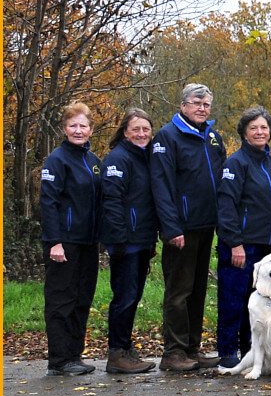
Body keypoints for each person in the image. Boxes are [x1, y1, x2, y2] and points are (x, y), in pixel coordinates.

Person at [150, 83, 226, 371]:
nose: (202, 109)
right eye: (196, 103)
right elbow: (161, 185)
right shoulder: (167, 137)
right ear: (183, 105)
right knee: (178, 291)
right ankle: (173, 352)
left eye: (206, 104)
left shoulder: (212, 137)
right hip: (181, 228)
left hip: (206, 225)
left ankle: (192, 348)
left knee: (197, 289)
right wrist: (171, 227)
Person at [214, 107, 271, 367]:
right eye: (253, 128)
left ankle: (251, 353)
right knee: (233, 299)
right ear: (244, 133)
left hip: (267, 247)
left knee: (258, 303)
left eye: (264, 127)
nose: (259, 132)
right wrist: (234, 242)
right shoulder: (236, 163)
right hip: (240, 245)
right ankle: (227, 353)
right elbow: (226, 205)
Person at [40, 101, 103, 376]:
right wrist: (55, 241)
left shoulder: (93, 162)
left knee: (81, 299)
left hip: (88, 242)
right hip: (63, 243)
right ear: (64, 128)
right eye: (73, 125)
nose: (78, 130)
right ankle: (59, 360)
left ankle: (74, 355)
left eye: (83, 126)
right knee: (60, 301)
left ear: (91, 129)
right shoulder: (57, 160)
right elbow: (49, 202)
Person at [101, 108, 160, 374]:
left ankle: (126, 347)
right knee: (123, 298)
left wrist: (151, 242)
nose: (141, 133)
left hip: (142, 241)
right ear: (125, 131)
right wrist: (119, 241)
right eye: (135, 129)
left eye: (145, 129)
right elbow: (112, 202)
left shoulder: (147, 158)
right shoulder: (118, 158)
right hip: (125, 243)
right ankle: (116, 353)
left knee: (133, 298)